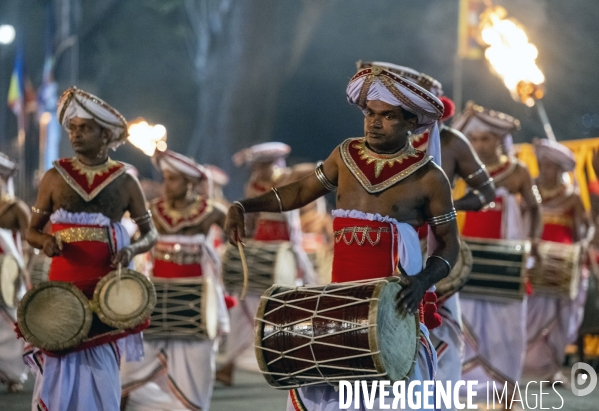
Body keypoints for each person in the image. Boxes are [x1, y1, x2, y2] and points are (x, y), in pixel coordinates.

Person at [226, 64, 460, 411]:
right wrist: (245, 205)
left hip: (394, 314)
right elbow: (301, 191)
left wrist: (424, 280)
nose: (374, 122)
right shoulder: (345, 155)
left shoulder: (429, 177)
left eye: (388, 116)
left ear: (411, 122)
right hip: (340, 308)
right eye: (369, 113)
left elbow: (449, 244)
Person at [357, 62, 495, 411]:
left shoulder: (451, 143)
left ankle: (433, 401)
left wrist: (449, 207)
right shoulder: (376, 140)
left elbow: (487, 191)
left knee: (437, 329)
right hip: (382, 250)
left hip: (433, 247)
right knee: (379, 326)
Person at [25, 87, 158, 411]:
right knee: (58, 367)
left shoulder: (125, 180)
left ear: (106, 134)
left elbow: (150, 233)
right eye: (72, 127)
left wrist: (131, 250)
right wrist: (45, 241)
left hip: (107, 294)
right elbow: (31, 231)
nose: (75, 134)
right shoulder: (55, 177)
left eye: (84, 128)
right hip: (61, 291)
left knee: (102, 374)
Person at [121, 149, 230, 411]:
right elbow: (135, 243)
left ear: (190, 183)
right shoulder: (152, 212)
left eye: (172, 179)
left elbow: (236, 240)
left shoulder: (213, 212)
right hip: (156, 302)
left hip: (196, 305)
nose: (165, 185)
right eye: (165, 178)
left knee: (199, 365)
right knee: (127, 368)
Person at [452, 101, 542, 410]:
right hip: (467, 259)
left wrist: (534, 241)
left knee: (507, 330)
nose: (479, 145)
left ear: (499, 141)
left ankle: (505, 394)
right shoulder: (461, 169)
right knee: (464, 323)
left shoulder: (517, 171)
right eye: (474, 139)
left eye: (485, 139)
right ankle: (464, 394)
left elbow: (534, 207)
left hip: (506, 262)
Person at [216, 143, 315, 385]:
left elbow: (315, 170)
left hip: (286, 255)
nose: (255, 171)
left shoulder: (289, 179)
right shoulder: (254, 186)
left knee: (292, 309)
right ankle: (228, 365)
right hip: (261, 254)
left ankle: (298, 362)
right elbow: (251, 220)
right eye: (254, 167)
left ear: (272, 164)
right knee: (244, 309)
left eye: (259, 166)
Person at [524, 139, 593, 382]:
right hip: (533, 263)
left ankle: (551, 370)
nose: (547, 171)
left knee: (559, 320)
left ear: (561, 170)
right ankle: (524, 367)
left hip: (563, 266)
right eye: (543, 165)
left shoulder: (572, 196)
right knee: (529, 317)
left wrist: (581, 248)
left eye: (552, 166)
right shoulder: (528, 191)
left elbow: (584, 230)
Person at [0, 153, 30, 393]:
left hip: (9, 274)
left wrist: (26, 270)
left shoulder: (15, 207)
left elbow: (31, 240)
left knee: (12, 325)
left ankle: (13, 374)